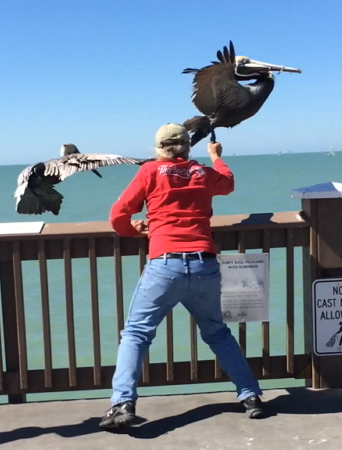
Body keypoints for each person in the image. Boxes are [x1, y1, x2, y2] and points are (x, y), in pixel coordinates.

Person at [99, 123, 264, 430]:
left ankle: (122, 404)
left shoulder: (150, 172)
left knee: (136, 334)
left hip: (165, 265)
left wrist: (130, 230)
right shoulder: (202, 172)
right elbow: (227, 183)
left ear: (159, 148)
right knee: (217, 333)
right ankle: (250, 396)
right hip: (205, 265)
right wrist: (215, 156)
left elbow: (118, 214)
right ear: (188, 146)